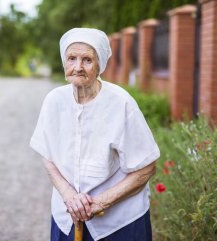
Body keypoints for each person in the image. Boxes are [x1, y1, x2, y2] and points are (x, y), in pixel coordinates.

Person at [30, 28, 160, 241]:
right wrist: (69, 196)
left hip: (120, 223)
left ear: (100, 65)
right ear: (64, 61)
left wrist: (99, 203)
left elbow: (146, 167)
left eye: (87, 60)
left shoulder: (121, 103)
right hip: (68, 216)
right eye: (71, 58)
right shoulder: (54, 101)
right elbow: (48, 154)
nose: (78, 67)